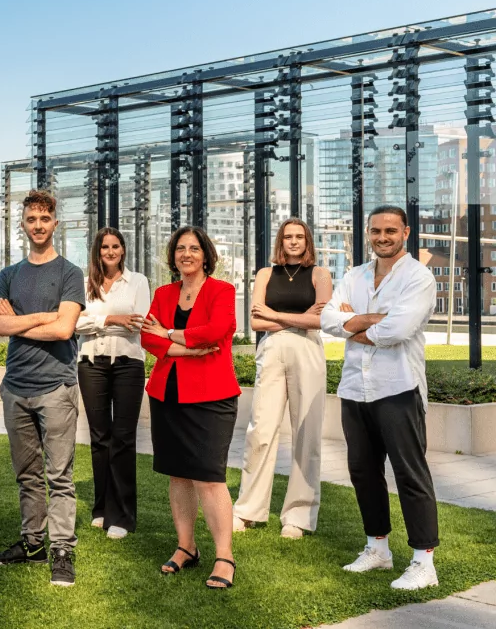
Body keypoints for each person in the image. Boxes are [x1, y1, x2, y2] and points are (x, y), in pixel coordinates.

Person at [321, 205, 440, 591]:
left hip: (398, 388)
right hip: (356, 389)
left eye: (390, 230)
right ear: (368, 234)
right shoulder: (354, 275)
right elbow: (326, 320)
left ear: (405, 232)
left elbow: (399, 330)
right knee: (363, 473)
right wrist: (377, 318)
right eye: (376, 231)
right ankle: (377, 549)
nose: (382, 237)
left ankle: (424, 561)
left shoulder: (419, 277)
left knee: (410, 474)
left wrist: (355, 320)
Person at [0, 190, 85, 587]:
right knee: (27, 473)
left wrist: (22, 320)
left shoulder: (70, 273)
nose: (38, 225)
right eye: (31, 219)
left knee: (59, 474)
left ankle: (62, 549)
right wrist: (44, 316)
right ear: (23, 224)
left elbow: (64, 328)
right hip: (15, 387)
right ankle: (32, 543)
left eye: (45, 218)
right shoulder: (8, 275)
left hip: (55, 386)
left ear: (54, 224)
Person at [140, 225, 240, 590]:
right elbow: (145, 336)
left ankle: (224, 556)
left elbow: (217, 330)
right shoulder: (163, 293)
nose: (186, 254)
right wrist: (182, 347)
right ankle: (187, 547)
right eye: (180, 248)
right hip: (168, 395)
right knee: (177, 474)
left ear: (206, 254)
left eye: (194, 248)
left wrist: (168, 333)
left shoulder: (222, 290)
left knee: (209, 477)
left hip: (211, 396)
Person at [233, 218, 332, 539]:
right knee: (260, 430)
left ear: (308, 241)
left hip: (308, 353)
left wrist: (274, 315)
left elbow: (320, 320)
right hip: (272, 351)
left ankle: (298, 516)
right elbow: (255, 321)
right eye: (288, 236)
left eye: (299, 236)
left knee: (307, 433)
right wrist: (297, 319)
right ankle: (248, 510)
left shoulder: (320, 274)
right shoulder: (265, 274)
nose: (293, 241)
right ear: (281, 241)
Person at [75, 227, 150, 539]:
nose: (110, 252)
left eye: (115, 246)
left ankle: (123, 515)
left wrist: (96, 323)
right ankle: (102, 507)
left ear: (123, 250)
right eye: (105, 247)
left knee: (122, 438)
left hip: (127, 364)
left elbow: (139, 321)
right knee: (100, 438)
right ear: (97, 251)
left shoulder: (138, 281)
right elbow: (75, 323)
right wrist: (111, 320)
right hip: (91, 364)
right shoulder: (84, 283)